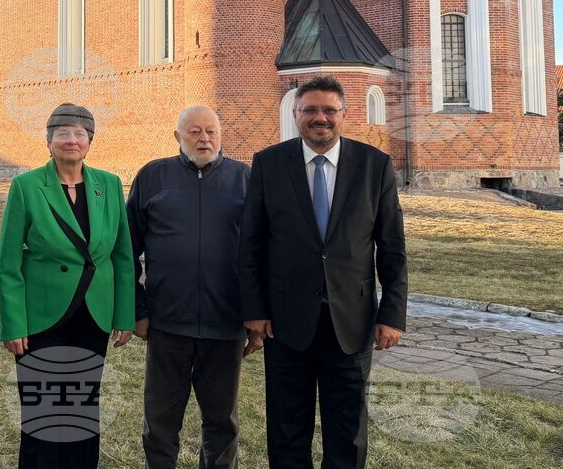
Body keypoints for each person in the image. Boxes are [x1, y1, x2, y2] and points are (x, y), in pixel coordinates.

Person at [238, 75, 408, 469]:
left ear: (344, 115)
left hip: (352, 322)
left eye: (329, 110)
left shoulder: (374, 165)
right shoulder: (268, 164)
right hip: (284, 322)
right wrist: (254, 310)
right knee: (286, 428)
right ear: (296, 115)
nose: (320, 118)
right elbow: (251, 244)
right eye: (310, 110)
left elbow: (393, 249)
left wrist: (392, 315)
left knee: (347, 431)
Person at [0, 103, 136, 468]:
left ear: (90, 140)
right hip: (41, 317)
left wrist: (125, 314)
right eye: (63, 133)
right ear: (49, 142)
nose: (71, 140)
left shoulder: (108, 184)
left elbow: (123, 256)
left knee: (83, 408)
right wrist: (12, 323)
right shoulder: (26, 187)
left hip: (93, 315)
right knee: (43, 412)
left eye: (79, 133)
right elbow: (9, 263)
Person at [127, 105, 261, 469]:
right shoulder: (153, 177)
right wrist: (137, 310)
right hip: (167, 326)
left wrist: (256, 317)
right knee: (160, 424)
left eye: (211, 132)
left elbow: (261, 255)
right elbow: (125, 253)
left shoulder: (245, 179)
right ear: (177, 137)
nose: (204, 139)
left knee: (222, 424)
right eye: (195, 132)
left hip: (224, 326)